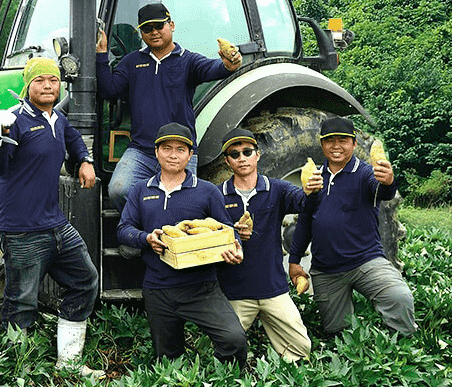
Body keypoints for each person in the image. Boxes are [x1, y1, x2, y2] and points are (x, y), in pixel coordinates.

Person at [0, 57, 104, 378]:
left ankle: (70, 363)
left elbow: (72, 137)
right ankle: (16, 371)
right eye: (40, 81)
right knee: (21, 303)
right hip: (22, 231)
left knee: (86, 281)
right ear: (28, 85)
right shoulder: (15, 119)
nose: (48, 85)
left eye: (53, 80)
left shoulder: (56, 119)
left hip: (56, 225)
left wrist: (84, 160)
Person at [116, 123, 248, 366]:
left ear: (190, 155)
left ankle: (224, 379)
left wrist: (236, 249)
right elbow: (124, 230)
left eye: (180, 149)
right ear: (156, 152)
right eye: (167, 148)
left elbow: (227, 231)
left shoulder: (206, 191)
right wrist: (146, 238)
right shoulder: (140, 190)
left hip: (201, 287)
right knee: (167, 358)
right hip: (158, 288)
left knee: (234, 339)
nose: (173, 154)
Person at [97, 3, 243, 207]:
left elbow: (214, 69)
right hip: (142, 150)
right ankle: (143, 232)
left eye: (159, 26)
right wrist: (101, 54)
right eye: (147, 28)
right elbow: (109, 89)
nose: (154, 32)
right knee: (118, 190)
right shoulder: (132, 62)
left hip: (179, 149)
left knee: (182, 203)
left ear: (171, 25)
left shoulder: (188, 61)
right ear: (141, 33)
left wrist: (229, 65)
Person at [288, 116, 418, 336]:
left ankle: (404, 345)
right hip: (326, 269)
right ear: (322, 144)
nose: (336, 146)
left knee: (399, 296)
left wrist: (388, 182)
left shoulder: (365, 173)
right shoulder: (315, 178)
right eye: (330, 141)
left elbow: (382, 192)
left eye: (343, 140)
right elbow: (305, 221)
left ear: (354, 143)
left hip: (365, 261)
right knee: (336, 332)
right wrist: (293, 260)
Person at [215, 128, 314, 362]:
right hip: (235, 292)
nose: (242, 158)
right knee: (221, 353)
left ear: (257, 155)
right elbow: (209, 235)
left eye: (247, 152)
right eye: (235, 154)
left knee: (302, 350)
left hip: (273, 289)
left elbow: (303, 203)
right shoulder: (217, 196)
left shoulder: (277, 189)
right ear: (228, 161)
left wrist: (310, 192)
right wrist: (231, 235)